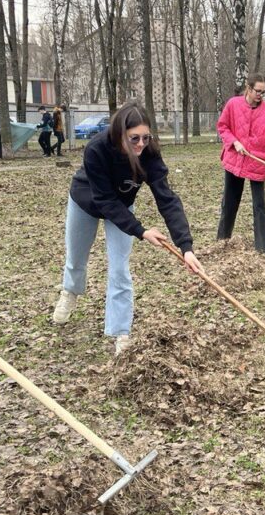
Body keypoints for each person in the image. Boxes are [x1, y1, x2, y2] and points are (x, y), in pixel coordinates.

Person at [52, 102, 202, 355]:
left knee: (120, 269)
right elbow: (104, 200)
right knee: (76, 259)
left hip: (121, 207)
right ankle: (70, 291)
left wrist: (185, 247)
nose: (141, 144)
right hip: (85, 201)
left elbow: (166, 198)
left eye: (146, 137)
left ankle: (121, 332)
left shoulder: (149, 154)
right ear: (120, 133)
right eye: (134, 138)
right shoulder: (97, 148)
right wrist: (141, 231)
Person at [215, 74, 265, 255]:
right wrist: (234, 142)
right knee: (230, 203)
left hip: (257, 163)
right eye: (258, 91)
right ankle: (222, 241)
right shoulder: (233, 104)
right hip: (235, 160)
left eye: (264, 92)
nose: (260, 95)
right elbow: (222, 127)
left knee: (259, 205)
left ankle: (264, 249)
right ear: (248, 88)